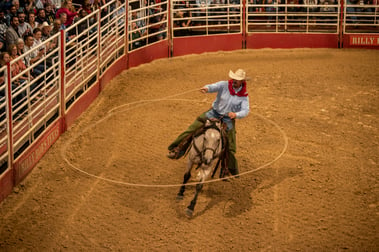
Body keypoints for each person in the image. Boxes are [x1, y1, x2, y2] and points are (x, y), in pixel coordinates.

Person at [167, 69, 250, 177]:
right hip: (214, 113)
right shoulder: (224, 85)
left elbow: (245, 110)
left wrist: (236, 115)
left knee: (230, 146)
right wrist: (207, 88)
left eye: (237, 79)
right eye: (234, 78)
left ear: (242, 81)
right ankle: (178, 149)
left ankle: (228, 169)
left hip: (227, 119)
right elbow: (214, 86)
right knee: (193, 128)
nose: (234, 80)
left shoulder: (244, 96)